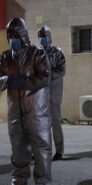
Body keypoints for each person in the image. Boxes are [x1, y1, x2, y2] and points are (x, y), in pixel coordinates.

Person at [0, 18, 54, 185]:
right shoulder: (5, 58)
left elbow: (45, 77)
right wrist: (7, 81)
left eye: (16, 35)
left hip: (36, 112)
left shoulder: (37, 54)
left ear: (24, 35)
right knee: (18, 149)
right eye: (10, 36)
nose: (13, 39)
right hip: (15, 112)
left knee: (40, 148)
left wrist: (25, 83)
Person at [37, 26, 66, 161]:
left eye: (44, 36)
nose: (42, 39)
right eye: (40, 36)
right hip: (40, 93)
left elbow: (62, 70)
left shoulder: (57, 52)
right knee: (41, 124)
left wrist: (47, 74)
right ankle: (42, 150)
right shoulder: (37, 53)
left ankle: (59, 151)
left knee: (55, 122)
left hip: (54, 92)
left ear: (49, 36)